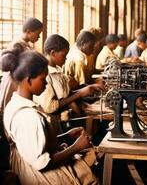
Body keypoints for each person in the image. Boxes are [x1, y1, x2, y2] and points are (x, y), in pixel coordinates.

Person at [2, 50, 98, 185]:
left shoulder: (14, 104)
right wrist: (76, 147)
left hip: (26, 162)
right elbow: (42, 163)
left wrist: (64, 136)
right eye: (42, 79)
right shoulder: (28, 116)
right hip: (35, 173)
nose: (46, 83)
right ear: (28, 80)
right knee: (90, 178)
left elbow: (31, 144)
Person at [34, 35, 103, 131]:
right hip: (53, 125)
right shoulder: (46, 75)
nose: (65, 59)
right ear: (53, 53)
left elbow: (65, 96)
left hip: (64, 119)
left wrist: (87, 89)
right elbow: (50, 107)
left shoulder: (57, 70)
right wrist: (80, 93)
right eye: (63, 55)